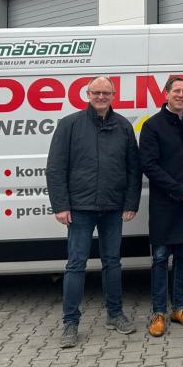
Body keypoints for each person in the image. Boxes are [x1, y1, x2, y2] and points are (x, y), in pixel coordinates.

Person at [46, 76, 142, 348]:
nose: (101, 96)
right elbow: (55, 168)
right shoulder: (70, 124)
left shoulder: (123, 126)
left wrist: (130, 203)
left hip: (113, 208)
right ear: (87, 94)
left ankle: (115, 314)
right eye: (96, 92)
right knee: (76, 264)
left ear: (114, 95)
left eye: (106, 93)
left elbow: (133, 169)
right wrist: (61, 205)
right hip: (80, 209)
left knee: (112, 262)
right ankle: (70, 323)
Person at [138, 76, 183, 337]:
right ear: (165, 94)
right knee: (160, 258)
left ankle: (179, 308)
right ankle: (158, 313)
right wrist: (180, 191)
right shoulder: (152, 125)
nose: (180, 95)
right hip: (166, 203)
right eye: (176, 91)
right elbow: (149, 166)